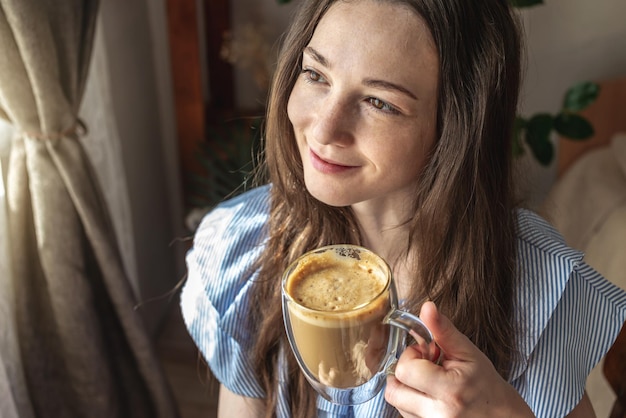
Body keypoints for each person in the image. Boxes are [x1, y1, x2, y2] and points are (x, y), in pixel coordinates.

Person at [180, 0, 626, 416]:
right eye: (316, 74)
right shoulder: (245, 246)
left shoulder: (535, 285)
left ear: (455, 127)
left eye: (379, 102)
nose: (325, 127)